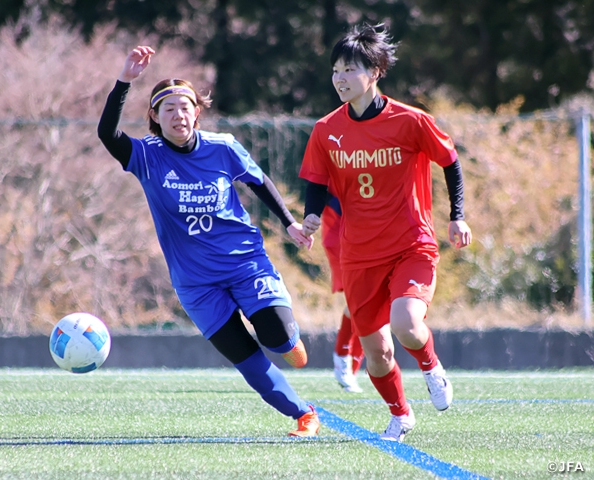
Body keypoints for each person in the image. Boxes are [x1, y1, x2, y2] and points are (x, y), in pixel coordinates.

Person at [97, 45, 320, 437]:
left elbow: (258, 181)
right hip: (197, 284)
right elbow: (107, 134)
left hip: (245, 264)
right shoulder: (146, 156)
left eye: (185, 107)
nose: (178, 115)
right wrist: (125, 81)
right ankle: (304, 415)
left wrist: (288, 223)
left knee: (278, 337)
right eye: (168, 109)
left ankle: (288, 340)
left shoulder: (223, 146)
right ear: (155, 117)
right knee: (246, 359)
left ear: (196, 112)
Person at [299, 25, 472, 442]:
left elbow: (449, 161)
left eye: (350, 69)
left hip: (411, 244)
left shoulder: (411, 120)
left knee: (406, 323)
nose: (340, 78)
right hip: (359, 253)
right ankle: (401, 414)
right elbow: (316, 182)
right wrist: (310, 216)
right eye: (336, 70)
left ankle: (431, 367)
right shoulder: (326, 129)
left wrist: (458, 216)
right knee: (377, 354)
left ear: (375, 72)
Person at [322, 192, 365, 393]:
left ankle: (350, 368)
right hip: (342, 227)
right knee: (360, 302)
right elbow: (318, 185)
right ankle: (344, 360)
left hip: (373, 231)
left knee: (379, 304)